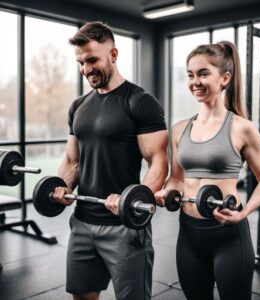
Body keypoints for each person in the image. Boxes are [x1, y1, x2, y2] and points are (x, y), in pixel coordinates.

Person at [52, 21, 168, 300]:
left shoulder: (140, 102)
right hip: (81, 222)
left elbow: (158, 163)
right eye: (80, 62)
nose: (86, 69)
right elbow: (72, 162)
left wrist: (132, 199)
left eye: (92, 59)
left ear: (113, 55)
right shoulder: (78, 106)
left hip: (124, 227)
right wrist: (61, 186)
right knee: (82, 296)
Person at [155, 41, 260, 300]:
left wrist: (244, 213)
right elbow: (176, 178)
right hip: (188, 235)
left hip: (228, 236)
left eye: (203, 73)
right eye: (190, 75)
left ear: (225, 78)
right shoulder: (179, 129)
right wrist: (167, 192)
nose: (195, 82)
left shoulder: (242, 128)